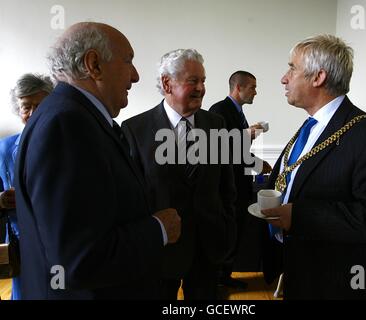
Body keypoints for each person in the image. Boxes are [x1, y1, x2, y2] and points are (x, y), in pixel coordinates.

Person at [14, 22, 181, 300]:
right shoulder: (66, 125)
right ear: (94, 65)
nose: (136, 76)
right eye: (128, 60)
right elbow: (78, 260)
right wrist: (158, 229)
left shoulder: (74, 117)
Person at [261, 34, 366, 299]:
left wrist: (300, 216)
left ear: (318, 77)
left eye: (292, 68)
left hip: (340, 283)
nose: (284, 77)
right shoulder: (310, 126)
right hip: (301, 271)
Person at [121, 49, 237, 300]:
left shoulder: (216, 124)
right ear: (167, 83)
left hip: (208, 249)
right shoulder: (135, 130)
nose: (201, 88)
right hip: (160, 252)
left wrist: (227, 228)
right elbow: (130, 198)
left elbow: (226, 186)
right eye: (193, 81)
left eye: (203, 81)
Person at [209, 71, 272, 288]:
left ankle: (224, 279)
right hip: (228, 187)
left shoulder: (238, 113)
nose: (255, 91)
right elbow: (218, 150)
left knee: (234, 234)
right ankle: (217, 281)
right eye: (252, 87)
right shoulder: (219, 110)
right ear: (239, 88)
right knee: (226, 235)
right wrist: (255, 159)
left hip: (239, 185)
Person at [0, 73, 54, 300]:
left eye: (39, 106)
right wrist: (2, 199)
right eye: (26, 107)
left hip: (59, 240)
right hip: (23, 245)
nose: (32, 113)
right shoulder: (4, 148)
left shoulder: (66, 141)